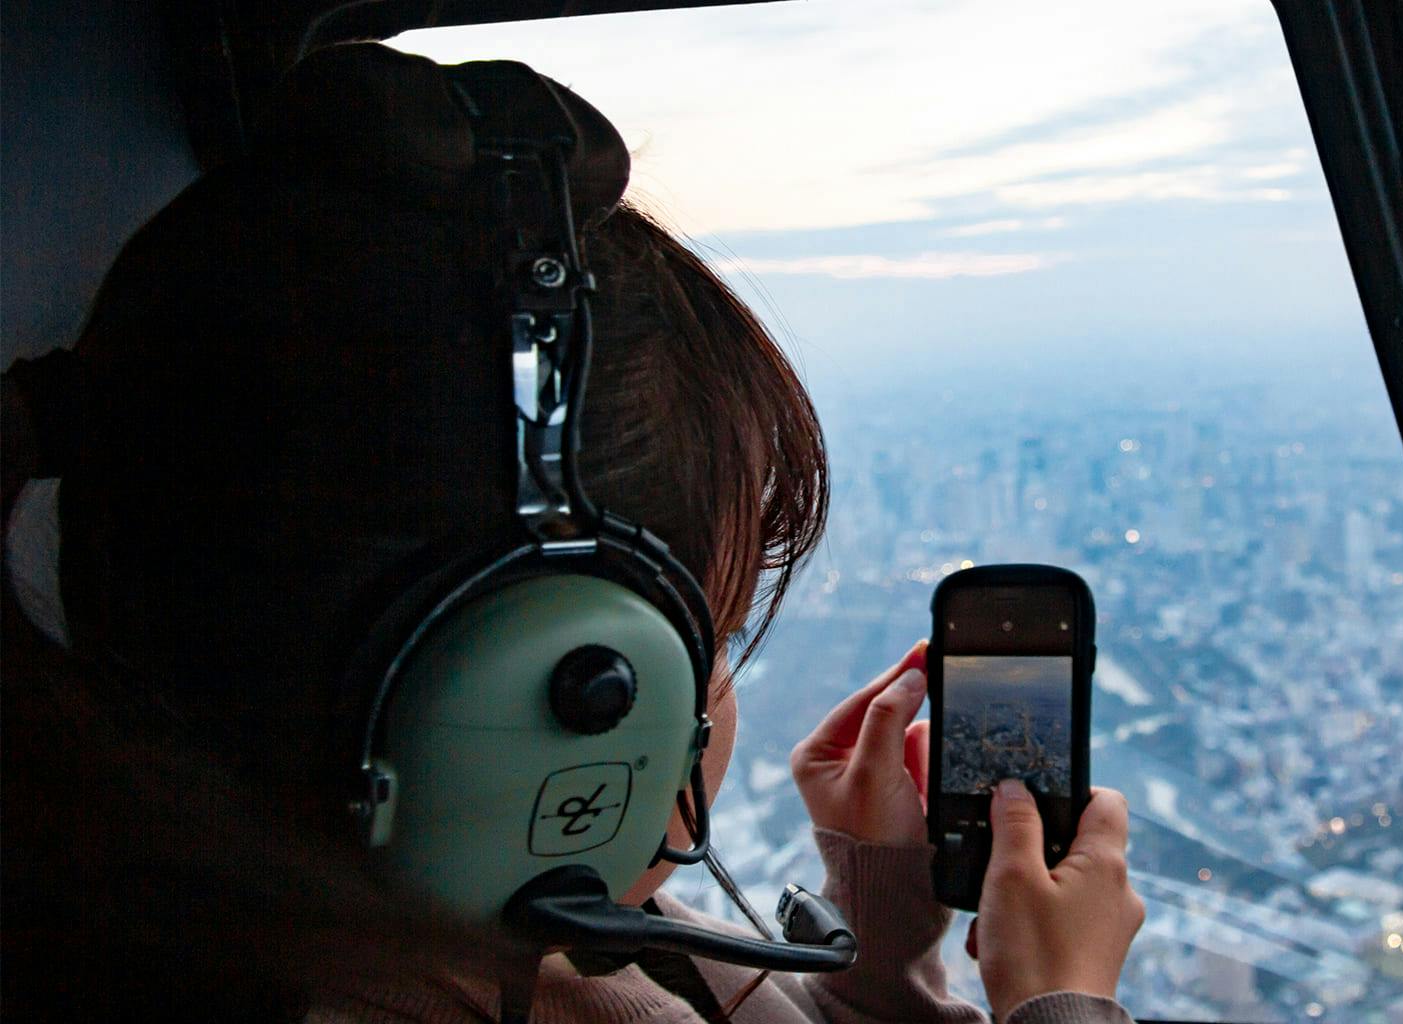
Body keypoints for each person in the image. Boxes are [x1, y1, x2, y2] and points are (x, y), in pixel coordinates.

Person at [0, 43, 1144, 1023]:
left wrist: (885, 942)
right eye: (701, 646)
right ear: (547, 714)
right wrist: (1057, 997)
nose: (715, 700)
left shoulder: (527, 938)